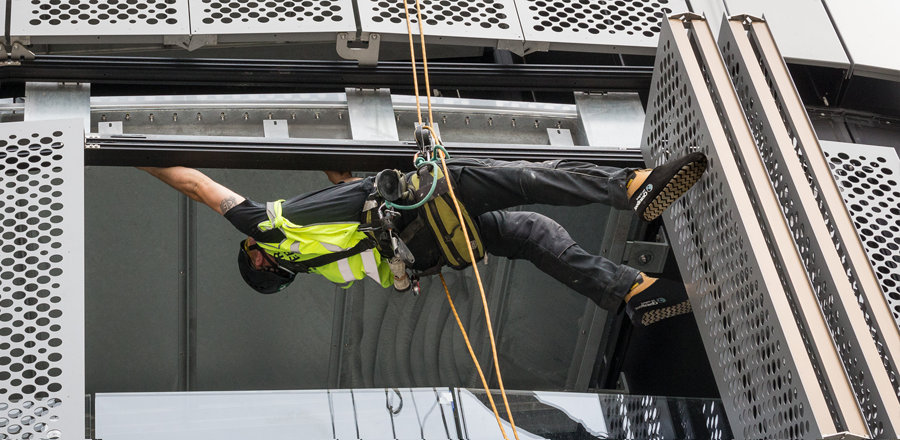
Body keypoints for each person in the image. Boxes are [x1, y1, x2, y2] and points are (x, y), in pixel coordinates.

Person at [139, 153, 706, 327]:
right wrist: (124, 151)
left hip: (429, 247)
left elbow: (351, 208)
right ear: (261, 259)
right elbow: (197, 185)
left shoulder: (323, 263)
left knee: (531, 234)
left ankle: (634, 290)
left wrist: (347, 178)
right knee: (517, 179)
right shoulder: (272, 231)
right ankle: (628, 186)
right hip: (419, 208)